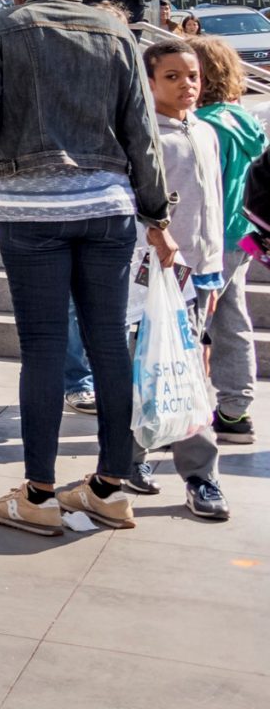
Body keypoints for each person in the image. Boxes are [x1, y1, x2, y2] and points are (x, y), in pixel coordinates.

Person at [0, 0, 175, 534]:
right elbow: (143, 135)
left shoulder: (2, 29)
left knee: (45, 348)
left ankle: (39, 494)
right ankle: (109, 485)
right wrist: (156, 213)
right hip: (109, 211)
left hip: (32, 213)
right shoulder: (116, 32)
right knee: (108, 344)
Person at [140, 37, 232, 522]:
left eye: (192, 76)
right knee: (150, 373)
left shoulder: (206, 132)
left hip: (200, 275)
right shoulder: (143, 135)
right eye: (172, 77)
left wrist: (214, 271)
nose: (186, 86)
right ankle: (129, 462)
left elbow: (212, 207)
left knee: (190, 376)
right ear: (150, 81)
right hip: (152, 278)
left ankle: (200, 475)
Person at [189, 35, 261, 448]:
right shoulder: (245, 119)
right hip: (244, 234)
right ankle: (235, 410)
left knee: (193, 322)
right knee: (233, 320)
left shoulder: (207, 125)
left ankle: (182, 407)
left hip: (211, 237)